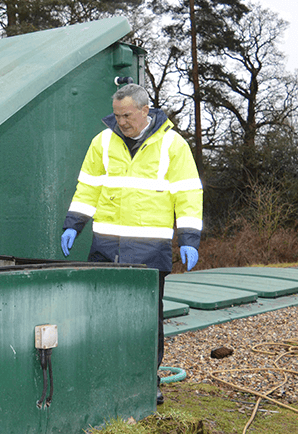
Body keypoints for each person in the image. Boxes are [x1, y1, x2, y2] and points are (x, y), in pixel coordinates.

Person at [60, 83, 203, 405]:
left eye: (126, 115)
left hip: (149, 249)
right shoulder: (102, 142)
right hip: (105, 247)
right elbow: (88, 188)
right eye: (116, 115)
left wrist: (189, 239)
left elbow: (189, 194)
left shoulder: (172, 145)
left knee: (145, 319)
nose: (121, 122)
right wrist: (73, 225)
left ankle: (144, 381)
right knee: (98, 315)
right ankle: (101, 378)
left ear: (144, 110)